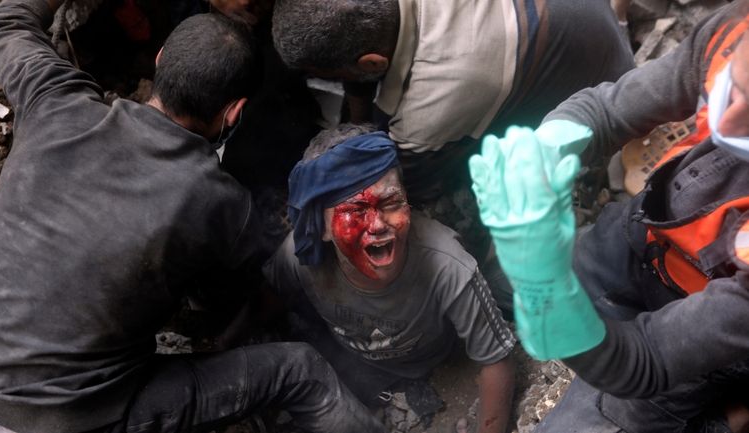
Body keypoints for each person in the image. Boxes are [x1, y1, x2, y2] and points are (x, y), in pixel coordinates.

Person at [0, 2, 383, 433]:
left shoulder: (54, 100)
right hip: (72, 414)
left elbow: (1, 20)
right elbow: (266, 277)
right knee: (301, 370)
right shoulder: (218, 199)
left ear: (159, 61)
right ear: (235, 113)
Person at [468, 1, 749, 432]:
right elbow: (608, 110)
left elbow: (645, 358)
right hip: (642, 235)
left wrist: (550, 299)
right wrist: (549, 145)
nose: (726, 122)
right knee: (499, 286)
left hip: (700, 312)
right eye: (737, 91)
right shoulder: (733, 33)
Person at [269, 0, 636, 316]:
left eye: (331, 77)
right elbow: (368, 78)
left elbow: (413, 178)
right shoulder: (383, 18)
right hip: (583, 24)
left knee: (450, 215)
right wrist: (360, 112)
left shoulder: (435, 105)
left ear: (370, 63)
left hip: (602, 95)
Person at [263, 123, 517, 433]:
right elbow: (269, 300)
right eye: (355, 211)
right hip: (349, 364)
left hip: (428, 363)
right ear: (323, 227)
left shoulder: (447, 265)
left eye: (391, 203)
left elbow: (496, 357)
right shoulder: (300, 258)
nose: (378, 224)